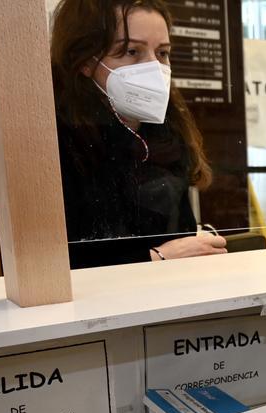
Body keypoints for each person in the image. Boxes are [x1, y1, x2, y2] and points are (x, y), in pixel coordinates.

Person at [51, 0, 226, 269]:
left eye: (163, 53)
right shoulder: (57, 142)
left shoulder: (167, 131)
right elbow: (55, 264)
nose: (154, 67)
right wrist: (158, 258)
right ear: (85, 61)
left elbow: (182, 235)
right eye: (132, 51)